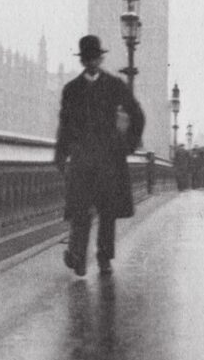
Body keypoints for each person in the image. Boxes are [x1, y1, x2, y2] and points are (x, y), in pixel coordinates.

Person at [54, 34, 145, 277]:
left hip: (108, 159)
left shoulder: (115, 85)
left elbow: (137, 115)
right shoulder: (71, 90)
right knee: (80, 210)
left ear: (99, 58)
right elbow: (64, 125)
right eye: (88, 58)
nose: (92, 62)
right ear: (83, 60)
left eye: (95, 58)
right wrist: (60, 154)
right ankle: (78, 258)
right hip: (83, 159)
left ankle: (104, 257)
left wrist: (128, 145)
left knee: (107, 211)